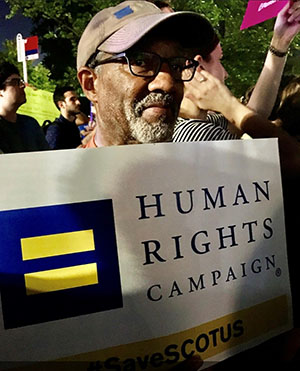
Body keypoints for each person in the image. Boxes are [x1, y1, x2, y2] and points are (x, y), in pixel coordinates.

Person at [76, 0, 300, 367]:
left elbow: (286, 160)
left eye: (176, 65)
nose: (166, 81)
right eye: (142, 61)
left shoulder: (202, 169)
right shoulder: (53, 202)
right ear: (90, 83)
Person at [175, 0, 300, 143]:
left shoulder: (199, 121)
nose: (226, 73)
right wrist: (227, 104)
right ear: (199, 68)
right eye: (219, 60)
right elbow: (288, 156)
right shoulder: (196, 134)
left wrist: (280, 42)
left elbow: (253, 116)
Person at [0, 62, 49, 153]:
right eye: (15, 82)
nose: (23, 86)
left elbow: (46, 157)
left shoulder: (31, 124)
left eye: (21, 82)